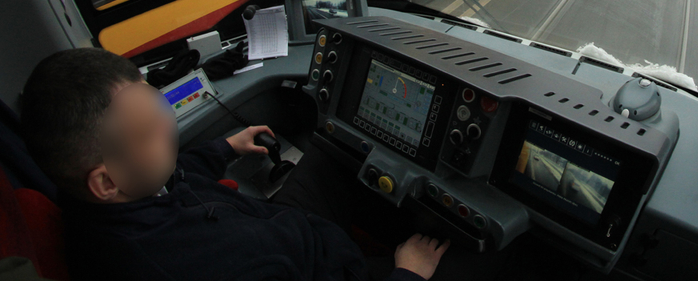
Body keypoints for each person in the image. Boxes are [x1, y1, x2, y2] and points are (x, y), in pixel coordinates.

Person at [17, 47, 449, 281]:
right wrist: (407, 271)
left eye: (157, 103)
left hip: (281, 230)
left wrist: (223, 148)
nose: (169, 126)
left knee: (330, 149)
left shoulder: (117, 197)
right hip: (322, 265)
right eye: (150, 129)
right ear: (105, 182)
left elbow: (176, 178)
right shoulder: (188, 267)